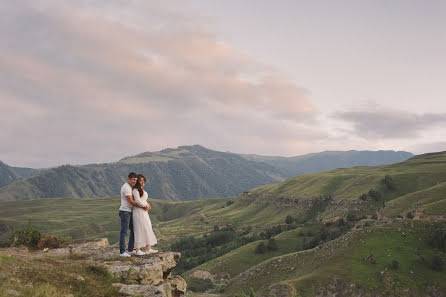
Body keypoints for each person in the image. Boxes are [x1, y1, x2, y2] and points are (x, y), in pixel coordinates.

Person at [118, 172, 150, 257]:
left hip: (130, 211)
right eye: (133, 179)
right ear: (128, 179)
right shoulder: (126, 188)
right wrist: (144, 207)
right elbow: (131, 201)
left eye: (136, 180)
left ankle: (130, 250)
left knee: (133, 231)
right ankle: (122, 252)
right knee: (124, 232)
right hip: (125, 211)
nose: (134, 181)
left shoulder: (131, 187)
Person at [132, 174, 158, 255]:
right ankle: (137, 249)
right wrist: (145, 206)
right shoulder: (135, 190)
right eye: (140, 180)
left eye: (144, 180)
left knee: (147, 228)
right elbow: (138, 201)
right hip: (138, 211)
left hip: (144, 212)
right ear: (137, 182)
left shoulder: (142, 191)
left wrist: (148, 205)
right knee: (139, 229)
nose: (142, 182)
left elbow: (143, 200)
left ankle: (148, 248)